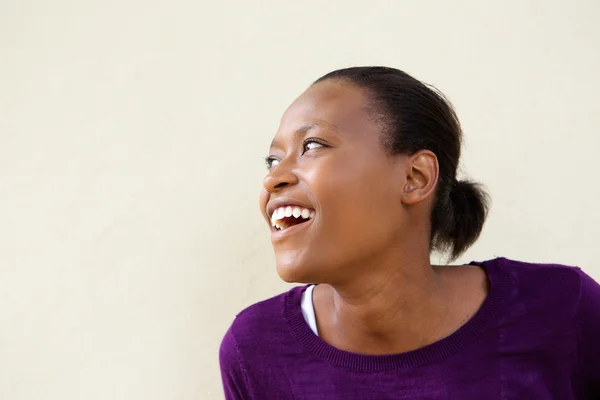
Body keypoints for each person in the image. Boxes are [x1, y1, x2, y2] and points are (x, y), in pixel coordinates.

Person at [219, 66, 600, 399]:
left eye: (312, 145)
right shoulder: (256, 351)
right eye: (272, 159)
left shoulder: (562, 309)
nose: (273, 177)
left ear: (414, 178)